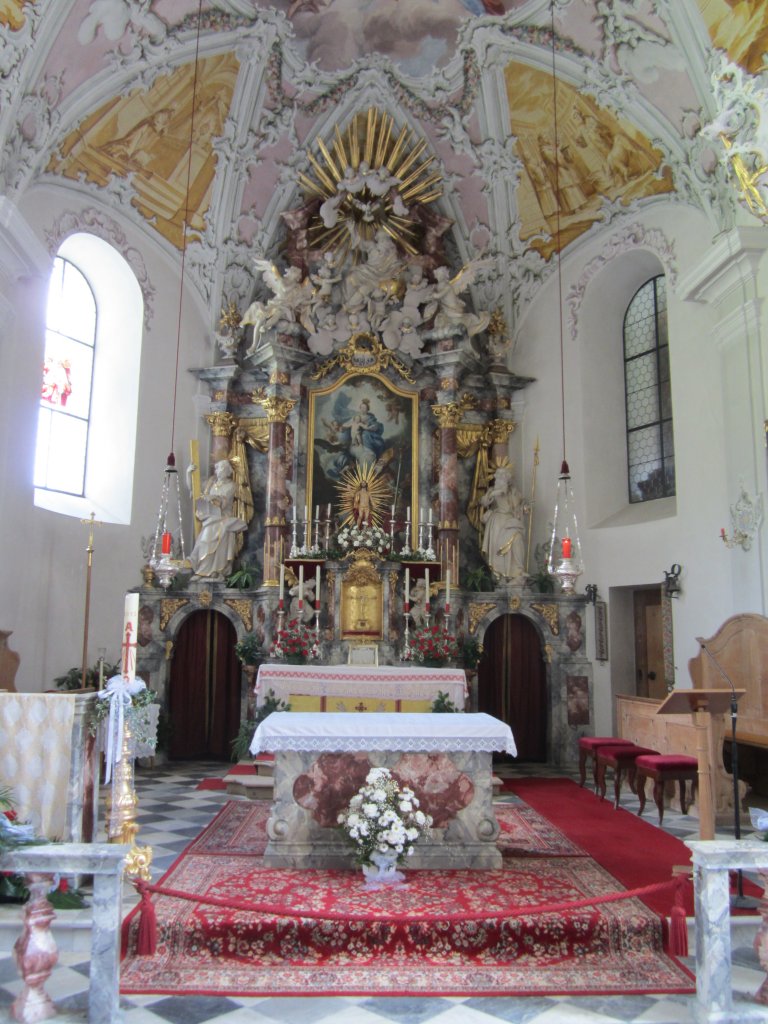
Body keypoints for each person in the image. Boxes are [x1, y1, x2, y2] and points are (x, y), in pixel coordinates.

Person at [188, 460, 248, 581]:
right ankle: (202, 571)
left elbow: (223, 501)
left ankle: (214, 572)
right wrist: (188, 474)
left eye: (219, 468)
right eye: (216, 468)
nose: (217, 471)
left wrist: (210, 498)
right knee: (204, 542)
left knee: (209, 542)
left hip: (222, 519)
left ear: (227, 471)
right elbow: (194, 490)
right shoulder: (211, 483)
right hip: (209, 519)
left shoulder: (231, 485)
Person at [479, 464, 527, 581]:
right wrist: (495, 493)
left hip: (511, 522)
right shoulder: (492, 490)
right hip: (497, 522)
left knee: (517, 539)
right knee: (497, 549)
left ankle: (517, 571)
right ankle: (500, 575)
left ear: (507, 478)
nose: (499, 479)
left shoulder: (514, 492)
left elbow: (520, 505)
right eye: (498, 476)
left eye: (502, 476)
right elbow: (484, 502)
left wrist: (525, 508)